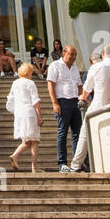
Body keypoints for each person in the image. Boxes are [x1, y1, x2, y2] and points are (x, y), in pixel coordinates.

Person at [67, 45, 110, 173]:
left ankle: (76, 165)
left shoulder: (97, 66)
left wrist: (82, 97)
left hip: (98, 105)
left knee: (84, 134)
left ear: (102, 54)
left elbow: (87, 88)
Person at [46, 42, 82, 172]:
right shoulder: (55, 66)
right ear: (64, 53)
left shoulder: (75, 68)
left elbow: (79, 85)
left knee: (77, 133)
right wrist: (55, 103)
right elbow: (50, 84)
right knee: (62, 132)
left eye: (75, 55)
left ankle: (77, 162)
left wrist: (82, 98)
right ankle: (62, 163)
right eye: (71, 54)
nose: (73, 57)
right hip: (63, 101)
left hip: (75, 101)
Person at [8, 63, 42, 173]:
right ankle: (34, 167)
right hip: (29, 112)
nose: (32, 75)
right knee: (35, 141)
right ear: (28, 73)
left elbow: (10, 100)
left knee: (26, 141)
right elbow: (35, 101)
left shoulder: (15, 83)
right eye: (31, 72)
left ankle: (15, 156)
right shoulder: (30, 83)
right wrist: (39, 116)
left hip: (19, 113)